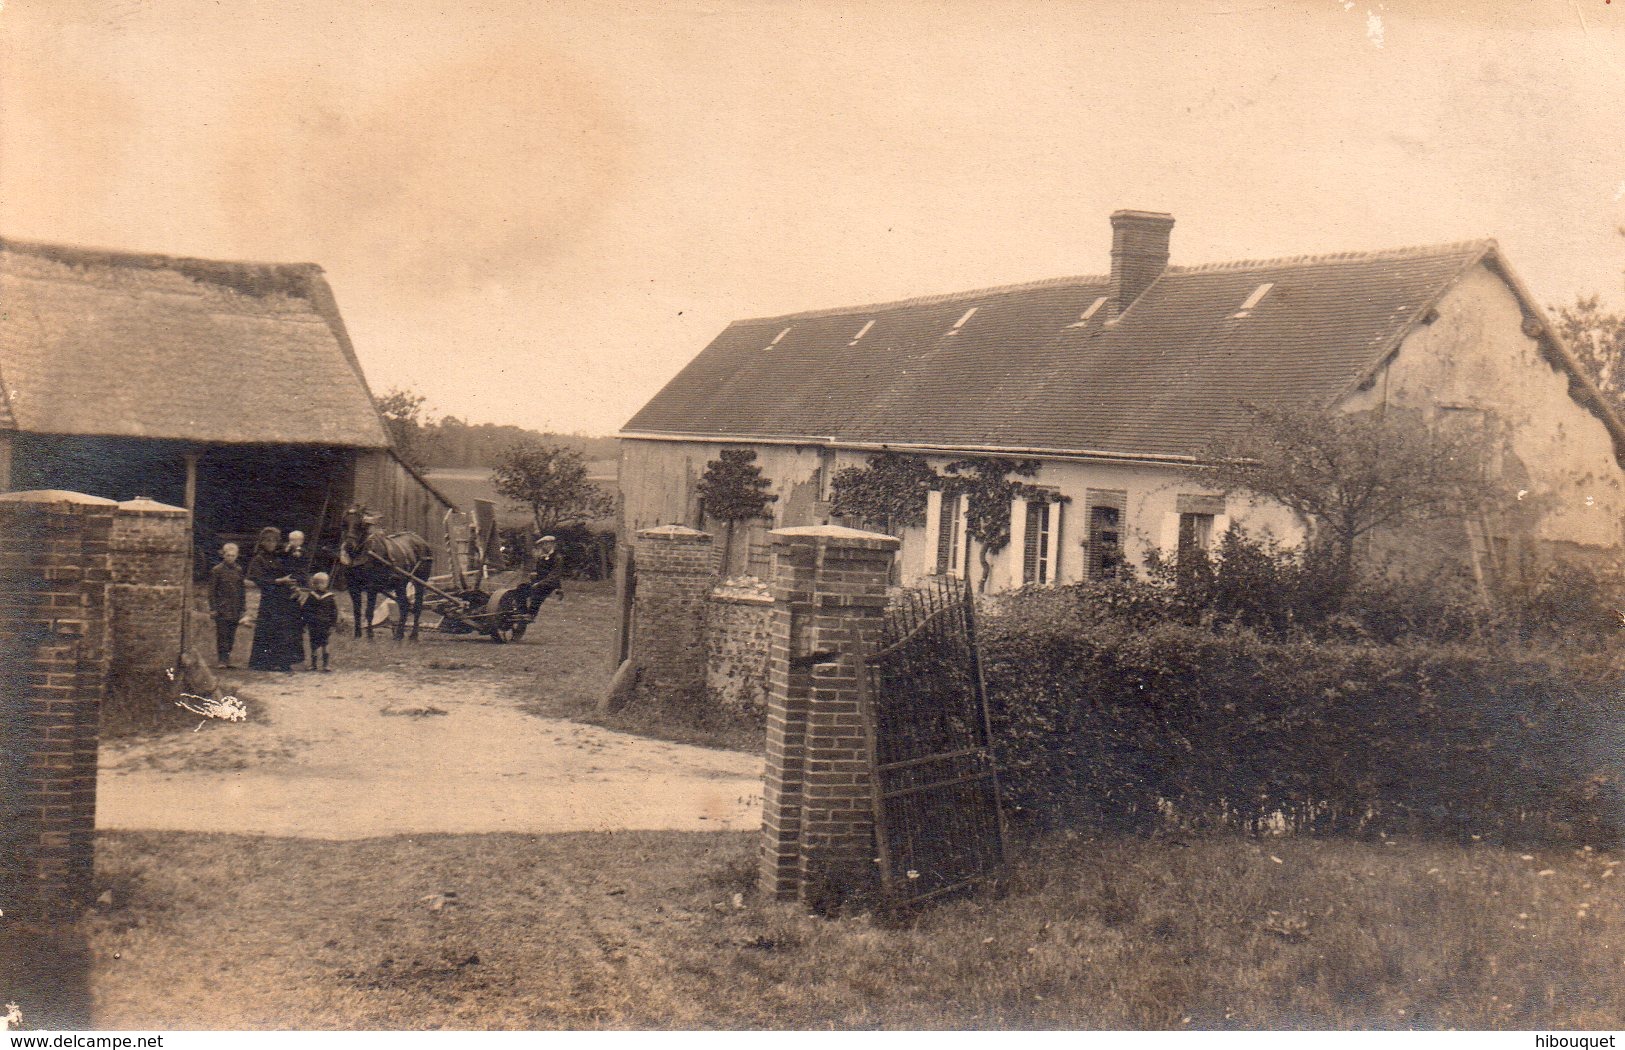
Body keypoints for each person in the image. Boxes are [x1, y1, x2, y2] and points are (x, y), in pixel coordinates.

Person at [246, 527, 307, 672]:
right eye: (268, 540)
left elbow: (294, 569)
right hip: (270, 600)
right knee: (269, 629)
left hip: (285, 599)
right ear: (262, 542)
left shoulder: (280, 556)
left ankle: (284, 661)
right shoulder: (259, 559)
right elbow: (257, 580)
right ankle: (264, 662)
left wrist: (295, 585)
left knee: (286, 630)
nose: (271, 543)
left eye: (274, 540)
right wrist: (278, 581)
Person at [511, 535, 565, 641]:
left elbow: (555, 576)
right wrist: (534, 574)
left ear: (552, 544)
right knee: (521, 588)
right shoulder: (542, 557)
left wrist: (557, 588)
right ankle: (523, 613)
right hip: (538, 583)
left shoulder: (558, 558)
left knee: (537, 591)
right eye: (543, 544)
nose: (543, 546)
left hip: (549, 584)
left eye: (545, 544)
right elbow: (538, 571)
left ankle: (531, 614)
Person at [207, 542, 246, 668]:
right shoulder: (217, 570)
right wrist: (213, 608)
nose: (230, 558)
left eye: (233, 555)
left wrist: (243, 608)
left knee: (231, 634)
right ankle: (222, 660)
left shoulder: (238, 570)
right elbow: (211, 591)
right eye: (228, 555)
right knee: (222, 634)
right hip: (222, 607)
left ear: (237, 556)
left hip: (235, 607)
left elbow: (241, 590)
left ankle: (228, 659)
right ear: (223, 555)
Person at [300, 571, 339, 672]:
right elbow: (305, 610)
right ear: (313, 584)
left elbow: (334, 612)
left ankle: (326, 665)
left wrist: (333, 624)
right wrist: (304, 623)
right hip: (313, 624)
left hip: (325, 624)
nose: (319, 585)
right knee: (313, 645)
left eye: (322, 583)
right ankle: (314, 664)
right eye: (317, 583)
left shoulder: (330, 597)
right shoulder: (311, 596)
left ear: (327, 584)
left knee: (325, 644)